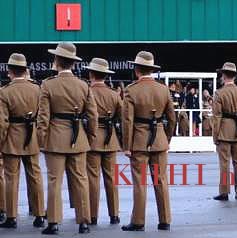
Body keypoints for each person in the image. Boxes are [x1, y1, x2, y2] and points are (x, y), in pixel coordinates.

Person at [37, 42, 98, 234]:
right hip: (78, 137)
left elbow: (43, 117)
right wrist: (89, 136)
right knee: (81, 179)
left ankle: (54, 222)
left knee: (55, 180)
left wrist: (41, 139)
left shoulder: (48, 85)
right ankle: (84, 222)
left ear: (56, 61)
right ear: (73, 63)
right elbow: (93, 115)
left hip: (55, 138)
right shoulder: (83, 85)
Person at [121, 51, 176, 232]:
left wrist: (126, 145)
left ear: (137, 70)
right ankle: (165, 219)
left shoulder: (131, 90)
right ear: (151, 69)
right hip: (159, 139)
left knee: (140, 182)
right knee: (161, 180)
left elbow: (127, 121)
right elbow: (172, 118)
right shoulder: (163, 89)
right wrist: (166, 138)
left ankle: (138, 221)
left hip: (139, 140)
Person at [0, 53, 45, 229]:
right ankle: (40, 214)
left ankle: (11, 217)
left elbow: (2, 122)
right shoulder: (37, 89)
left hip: (12, 137)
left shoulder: (5, 92)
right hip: (32, 136)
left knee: (12, 179)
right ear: (25, 70)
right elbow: (42, 115)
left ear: (9, 71)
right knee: (35, 176)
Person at [83, 58, 121, 225]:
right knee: (111, 178)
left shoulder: (87, 91)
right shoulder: (114, 94)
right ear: (106, 75)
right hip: (110, 138)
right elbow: (122, 117)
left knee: (92, 178)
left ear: (91, 74)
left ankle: (92, 215)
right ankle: (114, 214)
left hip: (92, 138)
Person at [212, 62, 237, 201]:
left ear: (223, 75)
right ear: (234, 76)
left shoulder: (219, 93)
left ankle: (224, 191)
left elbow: (216, 117)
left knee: (224, 163)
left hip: (224, 130)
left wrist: (215, 136)